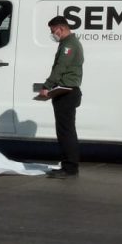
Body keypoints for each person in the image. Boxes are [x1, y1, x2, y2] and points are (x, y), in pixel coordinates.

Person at [37, 16, 84, 179]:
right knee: (65, 130)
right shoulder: (67, 43)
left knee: (66, 131)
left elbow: (60, 67)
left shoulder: (69, 45)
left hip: (66, 92)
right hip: (66, 91)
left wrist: (47, 86)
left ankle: (70, 168)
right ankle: (67, 165)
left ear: (61, 28)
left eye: (53, 31)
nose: (52, 34)